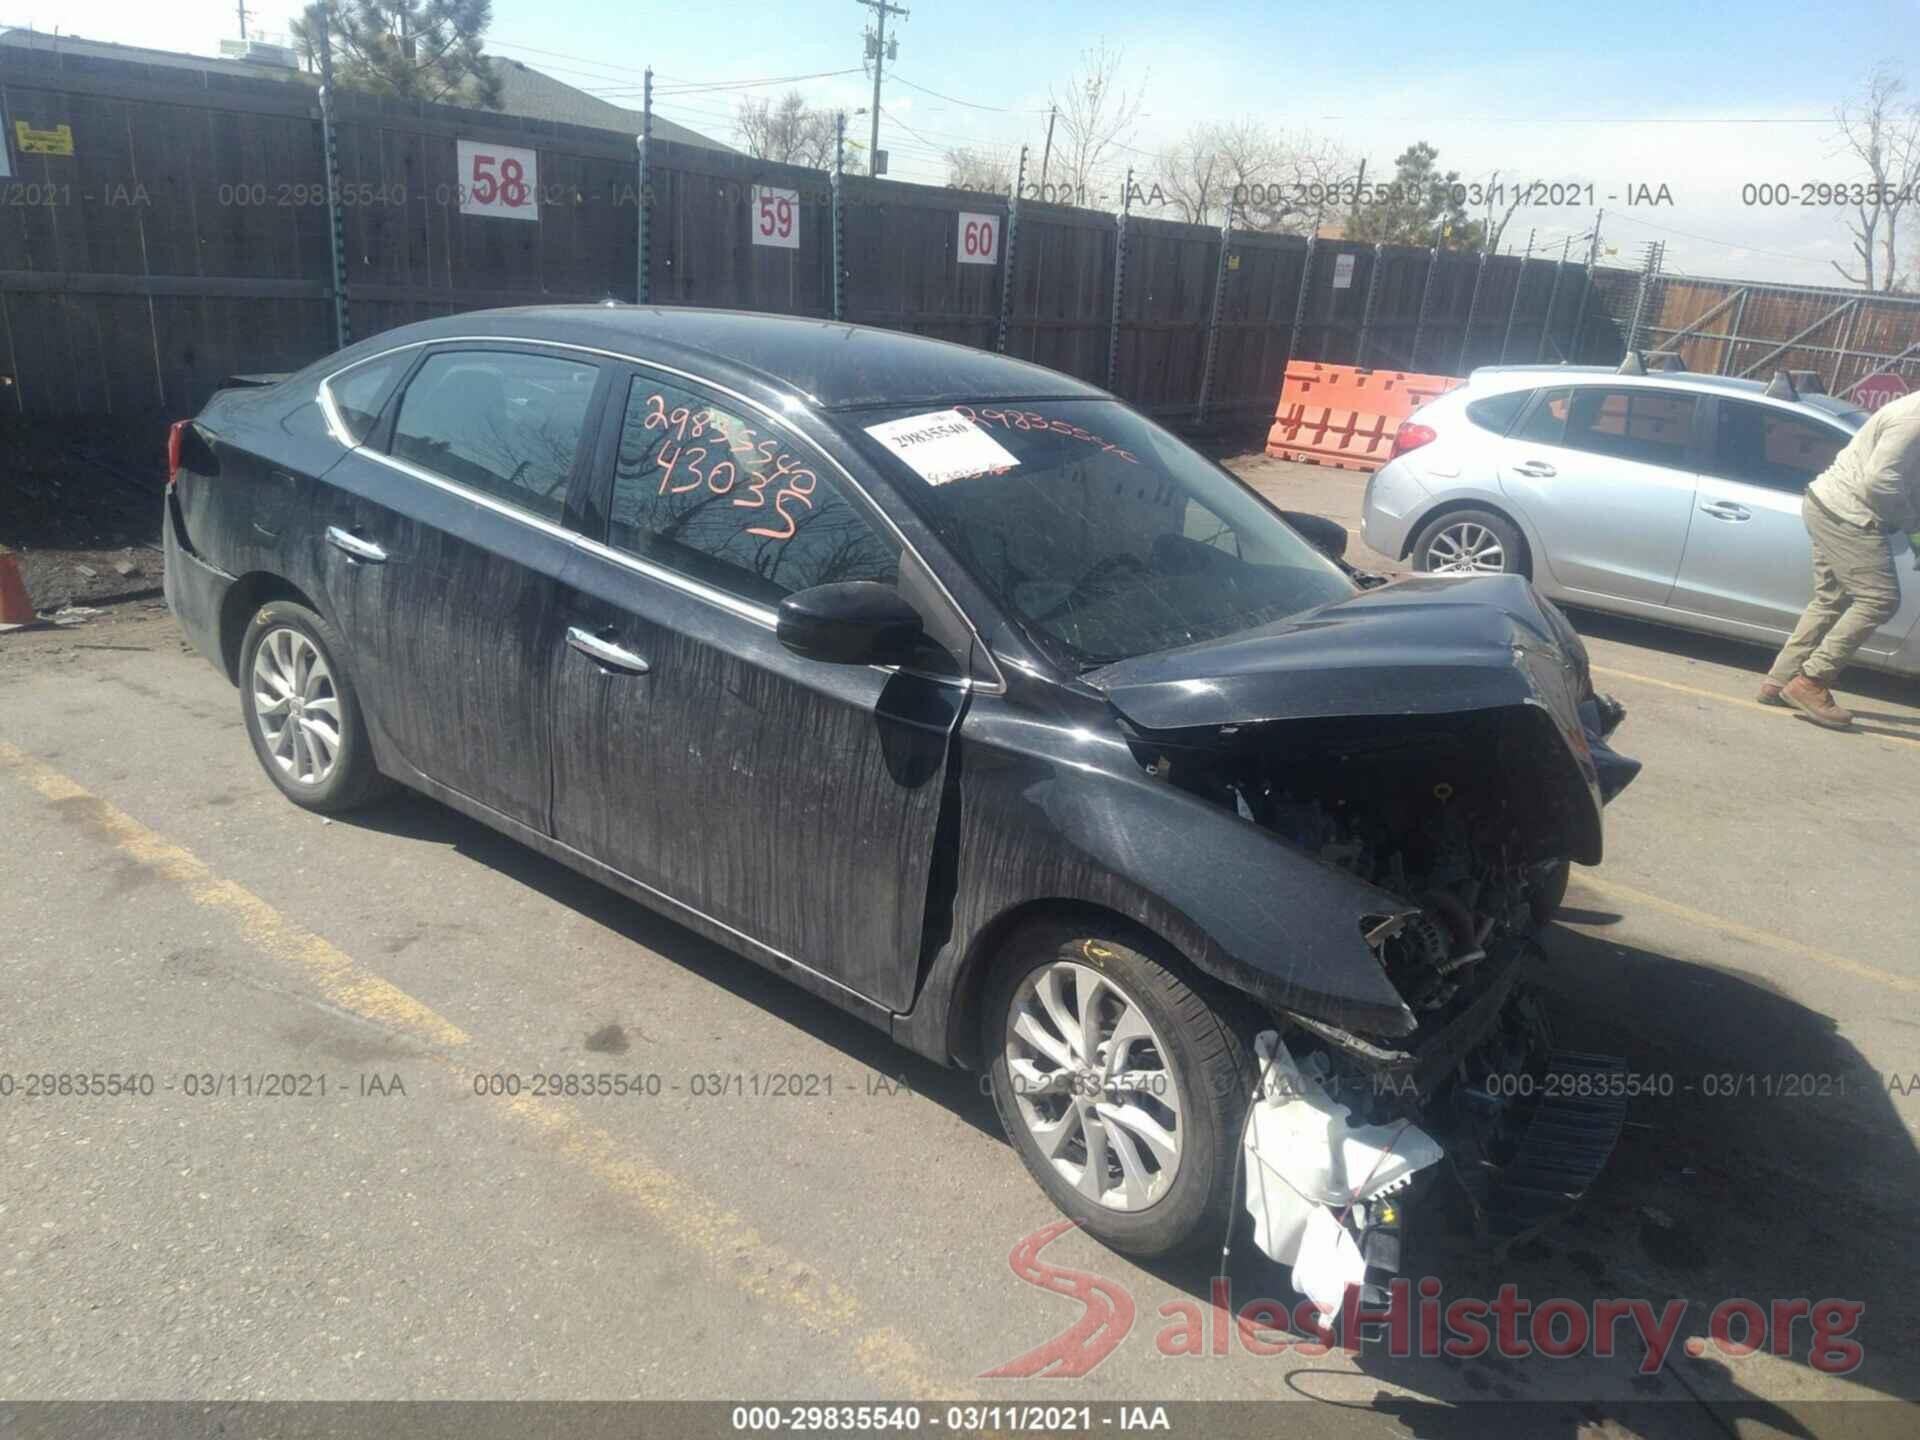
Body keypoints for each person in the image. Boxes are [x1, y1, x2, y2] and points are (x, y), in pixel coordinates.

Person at [1761, 388, 1920, 729]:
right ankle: (1811, 681)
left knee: (1830, 599)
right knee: (1879, 599)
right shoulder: (1914, 418)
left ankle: (1780, 679)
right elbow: (1881, 480)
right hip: (1848, 512)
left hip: (1827, 501)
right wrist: (1914, 525)